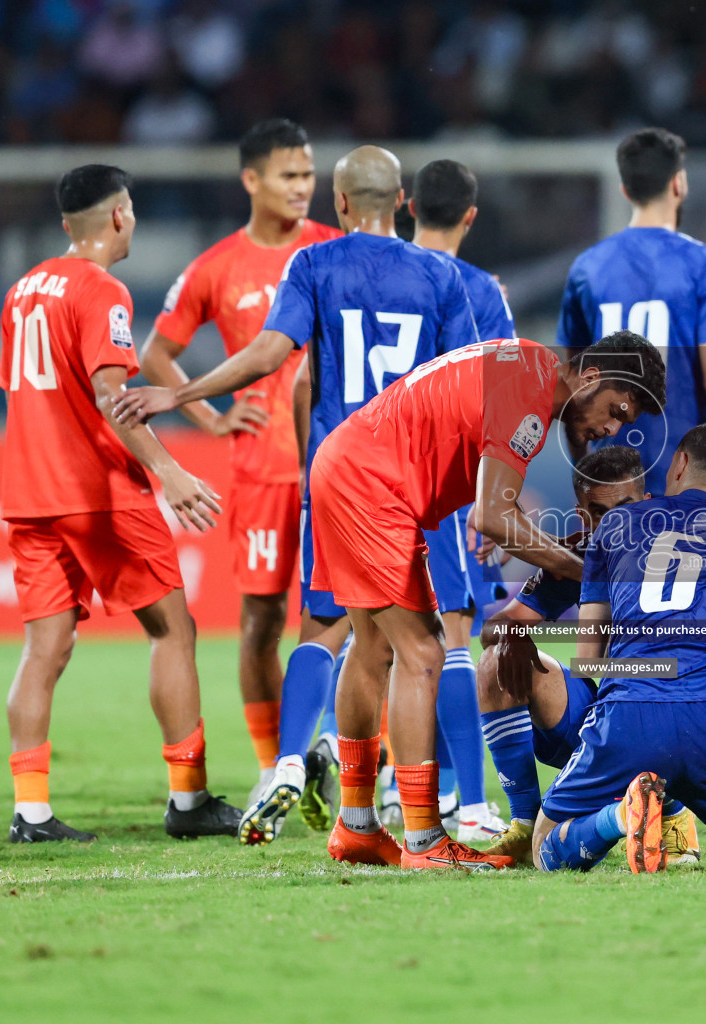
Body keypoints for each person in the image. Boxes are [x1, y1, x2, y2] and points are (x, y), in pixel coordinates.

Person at [113, 145, 480, 844]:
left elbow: (273, 356)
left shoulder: (313, 264)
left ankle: (315, 784)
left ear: (339, 204)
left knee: (338, 634)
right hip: (414, 478)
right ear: (402, 200)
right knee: (425, 647)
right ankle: (431, 817)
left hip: (336, 472)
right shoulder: (440, 274)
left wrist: (180, 391)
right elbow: (462, 386)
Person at [302, 331, 665, 870]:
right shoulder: (533, 397)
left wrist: (517, 524)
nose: (613, 428)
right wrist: (588, 571)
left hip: (349, 466)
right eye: (616, 409)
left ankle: (357, 826)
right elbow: (491, 518)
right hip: (375, 487)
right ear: (588, 377)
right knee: (424, 654)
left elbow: (489, 493)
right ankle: (424, 839)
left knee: (373, 645)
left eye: (625, 424)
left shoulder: (524, 365)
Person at [0, 164, 238, 843]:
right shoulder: (102, 291)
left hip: (29, 490)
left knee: (44, 645)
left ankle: (31, 811)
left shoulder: (22, 291)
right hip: (96, 492)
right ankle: (188, 801)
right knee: (172, 630)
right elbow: (113, 397)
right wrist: (167, 470)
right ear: (118, 216)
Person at [139, 119, 341, 801]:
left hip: (333, 467)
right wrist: (212, 418)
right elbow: (154, 355)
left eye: (309, 175)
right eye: (289, 175)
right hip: (260, 472)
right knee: (259, 622)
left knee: (354, 622)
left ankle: (334, 757)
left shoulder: (330, 249)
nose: (302, 188)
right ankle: (270, 770)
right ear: (250, 179)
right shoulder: (217, 266)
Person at [534, 423, 706, 873]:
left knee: (543, 847)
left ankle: (622, 814)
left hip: (634, 712)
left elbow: (588, 657)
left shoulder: (615, 526)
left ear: (681, 463)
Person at [475, 446, 702, 866]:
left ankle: (670, 810)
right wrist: (515, 633)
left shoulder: (687, 553)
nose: (616, 522)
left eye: (627, 506)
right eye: (601, 512)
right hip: (608, 711)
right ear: (583, 517)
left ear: (648, 503)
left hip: (676, 715)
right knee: (494, 663)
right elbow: (494, 627)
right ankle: (526, 824)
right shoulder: (574, 554)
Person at [557, 127, 706, 508]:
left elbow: (572, 380)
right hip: (686, 474)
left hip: (610, 479)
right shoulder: (705, 264)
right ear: (679, 183)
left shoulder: (587, 267)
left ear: (625, 190)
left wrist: (583, 468)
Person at [407, 158, 516, 841]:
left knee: (380, 642)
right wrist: (490, 498)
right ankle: (463, 798)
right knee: (453, 636)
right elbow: (499, 402)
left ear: (407, 204)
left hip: (361, 476)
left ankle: (398, 787)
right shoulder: (476, 289)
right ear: (471, 216)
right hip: (443, 485)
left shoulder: (369, 276)